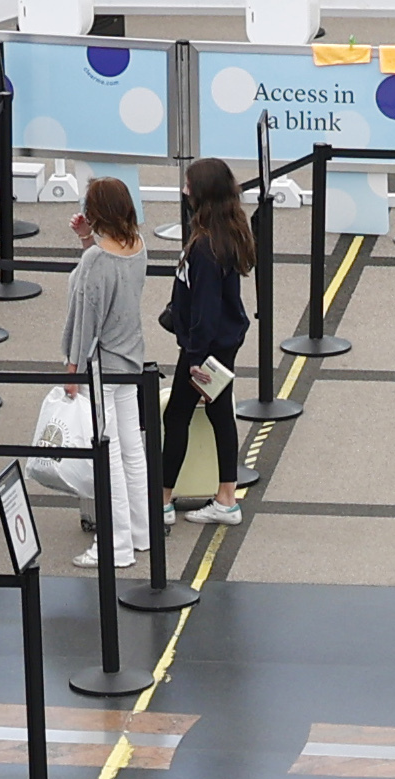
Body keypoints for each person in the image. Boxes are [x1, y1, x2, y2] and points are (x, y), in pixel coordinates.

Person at [60, 175, 154, 572]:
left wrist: (72, 369)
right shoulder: (138, 245)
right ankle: (142, 532)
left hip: (102, 367)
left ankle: (115, 545)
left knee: (108, 455)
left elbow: (87, 317)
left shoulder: (97, 259)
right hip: (131, 359)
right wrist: (87, 239)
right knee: (132, 450)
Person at [153, 157, 249, 531]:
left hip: (205, 349)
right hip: (221, 343)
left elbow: (205, 309)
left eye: (189, 186)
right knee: (219, 413)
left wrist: (194, 356)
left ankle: (163, 501)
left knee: (176, 416)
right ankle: (226, 498)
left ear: (202, 194)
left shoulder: (206, 248)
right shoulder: (225, 233)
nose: (184, 191)